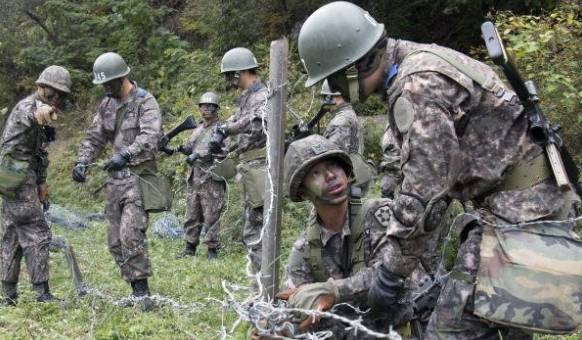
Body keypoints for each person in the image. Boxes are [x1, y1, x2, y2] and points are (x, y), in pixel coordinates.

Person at [298, 2, 581, 339]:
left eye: (334, 79)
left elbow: (425, 194)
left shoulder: (416, 86)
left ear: (351, 69)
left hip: (519, 211)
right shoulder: (421, 58)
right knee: (500, 323)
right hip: (529, 201)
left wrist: (390, 274)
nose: (336, 89)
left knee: (447, 331)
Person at [272, 134, 411, 339]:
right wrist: (277, 328)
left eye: (333, 166)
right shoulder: (306, 247)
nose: (330, 176)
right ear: (302, 192)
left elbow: (393, 274)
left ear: (346, 171)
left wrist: (332, 291)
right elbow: (297, 303)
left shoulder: (381, 214)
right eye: (316, 173)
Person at [71, 52, 162, 301]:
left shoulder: (145, 102)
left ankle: (142, 294)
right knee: (114, 242)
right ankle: (134, 288)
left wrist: (127, 153)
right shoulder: (106, 104)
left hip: (138, 178)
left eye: (109, 83)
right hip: (115, 182)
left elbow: (151, 136)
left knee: (130, 235)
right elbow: (95, 136)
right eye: (103, 84)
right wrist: (82, 162)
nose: (106, 88)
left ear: (123, 77)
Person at [0, 65, 71, 304]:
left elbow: (39, 152)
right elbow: (36, 113)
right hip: (16, 174)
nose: (56, 99)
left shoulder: (39, 110)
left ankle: (7, 294)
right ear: (40, 87)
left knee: (11, 233)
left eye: (61, 95)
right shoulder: (28, 107)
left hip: (16, 175)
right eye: (52, 93)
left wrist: (41, 182)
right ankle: (43, 294)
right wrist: (44, 112)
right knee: (36, 230)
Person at [208, 47, 270, 277]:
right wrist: (222, 141)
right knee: (253, 229)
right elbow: (240, 129)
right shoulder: (247, 98)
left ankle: (263, 287)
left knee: (258, 232)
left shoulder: (262, 96)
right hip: (250, 168)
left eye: (230, 75)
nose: (229, 81)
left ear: (240, 72)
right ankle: (261, 284)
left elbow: (254, 124)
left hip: (260, 167)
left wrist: (226, 129)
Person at [172, 92, 225, 260]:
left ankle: (212, 251)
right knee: (192, 214)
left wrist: (200, 154)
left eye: (211, 106)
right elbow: (189, 147)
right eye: (204, 106)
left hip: (211, 176)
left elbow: (224, 150)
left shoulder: (221, 129)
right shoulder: (198, 128)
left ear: (216, 109)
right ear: (199, 108)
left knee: (212, 215)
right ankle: (189, 248)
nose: (207, 109)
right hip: (194, 177)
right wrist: (177, 148)